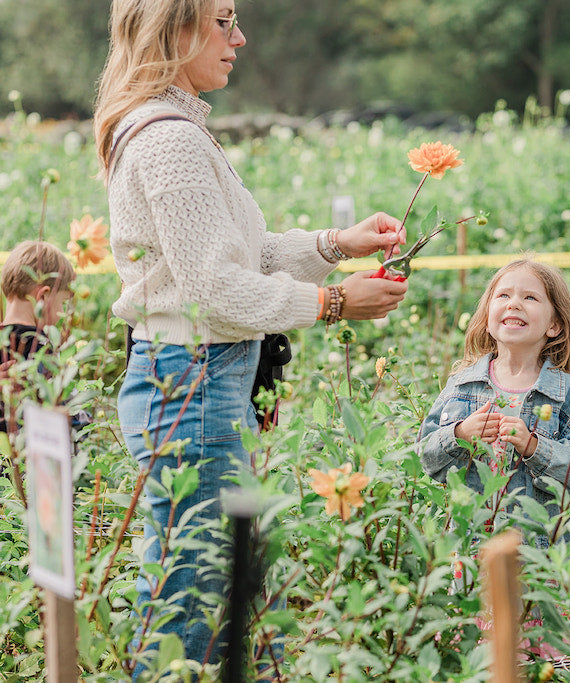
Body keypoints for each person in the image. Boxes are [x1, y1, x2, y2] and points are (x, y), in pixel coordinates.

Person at [92, 0, 409, 673]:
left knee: (211, 578)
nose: (241, 36)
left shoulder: (175, 127)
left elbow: (234, 255)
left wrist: (334, 244)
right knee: (193, 591)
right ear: (176, 29)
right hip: (193, 383)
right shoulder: (169, 138)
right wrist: (333, 302)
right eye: (223, 20)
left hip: (199, 380)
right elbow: (216, 292)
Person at [418, 259, 570, 516]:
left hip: (536, 547)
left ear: (554, 325)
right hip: (472, 541)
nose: (514, 303)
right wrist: (459, 435)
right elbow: (425, 458)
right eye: (503, 295)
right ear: (486, 318)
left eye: (530, 297)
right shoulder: (462, 384)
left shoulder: (568, 393)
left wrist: (533, 447)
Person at [0, 240, 77, 435]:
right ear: (43, 296)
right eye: (62, 303)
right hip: (29, 458)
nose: (62, 313)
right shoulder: (41, 347)